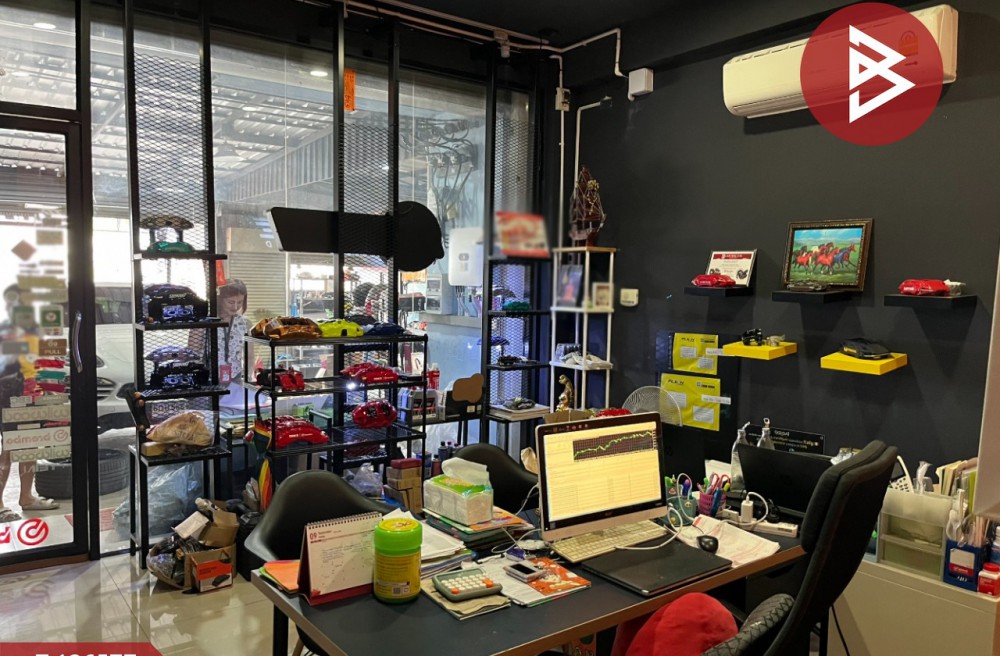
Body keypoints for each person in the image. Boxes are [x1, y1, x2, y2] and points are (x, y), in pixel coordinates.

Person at [0, 284, 59, 523]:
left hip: (33, 394)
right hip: (11, 396)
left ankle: (26, 497)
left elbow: (42, 361)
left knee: (30, 445)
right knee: (9, 449)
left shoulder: (34, 329)